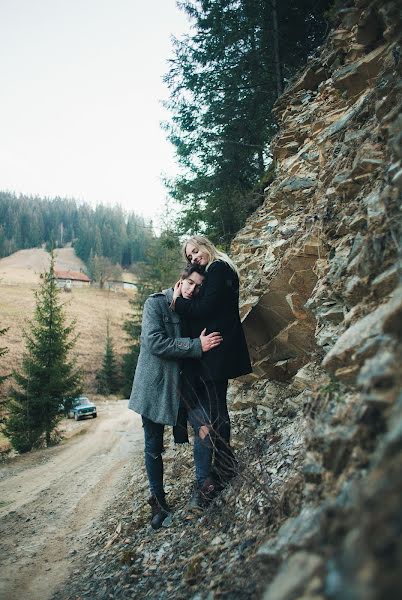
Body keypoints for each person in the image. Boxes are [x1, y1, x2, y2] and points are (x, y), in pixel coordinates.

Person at [128, 263, 223, 529]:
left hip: (187, 386)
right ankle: (158, 502)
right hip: (155, 386)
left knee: (204, 426)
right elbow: (154, 342)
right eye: (190, 283)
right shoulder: (155, 304)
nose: (193, 290)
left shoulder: (194, 309)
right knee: (153, 446)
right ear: (180, 280)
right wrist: (195, 346)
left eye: (198, 287)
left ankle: (202, 486)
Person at [172, 235, 252, 509]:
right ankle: (224, 464)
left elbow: (205, 308)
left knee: (218, 410)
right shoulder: (218, 269)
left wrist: (177, 302)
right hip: (219, 349)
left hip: (219, 350)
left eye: (195, 251)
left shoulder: (218, 268)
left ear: (205, 245)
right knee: (218, 408)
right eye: (190, 257)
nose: (194, 258)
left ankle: (226, 466)